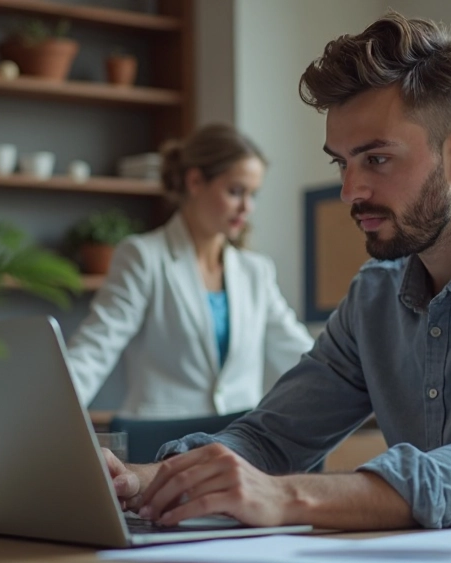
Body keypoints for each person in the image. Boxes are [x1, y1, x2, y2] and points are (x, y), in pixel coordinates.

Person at [105, 12, 451, 530]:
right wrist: (138, 482)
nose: (350, 191)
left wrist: (284, 497)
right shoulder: (375, 298)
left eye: (376, 159)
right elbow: (271, 439)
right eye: (341, 163)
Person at [65, 124, 314, 418]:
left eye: (254, 194)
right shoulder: (143, 257)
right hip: (160, 447)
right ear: (195, 181)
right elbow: (95, 350)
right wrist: (38, 420)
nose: (247, 207)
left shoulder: (255, 271)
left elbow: (298, 354)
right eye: (236, 191)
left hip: (239, 446)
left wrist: (362, 384)